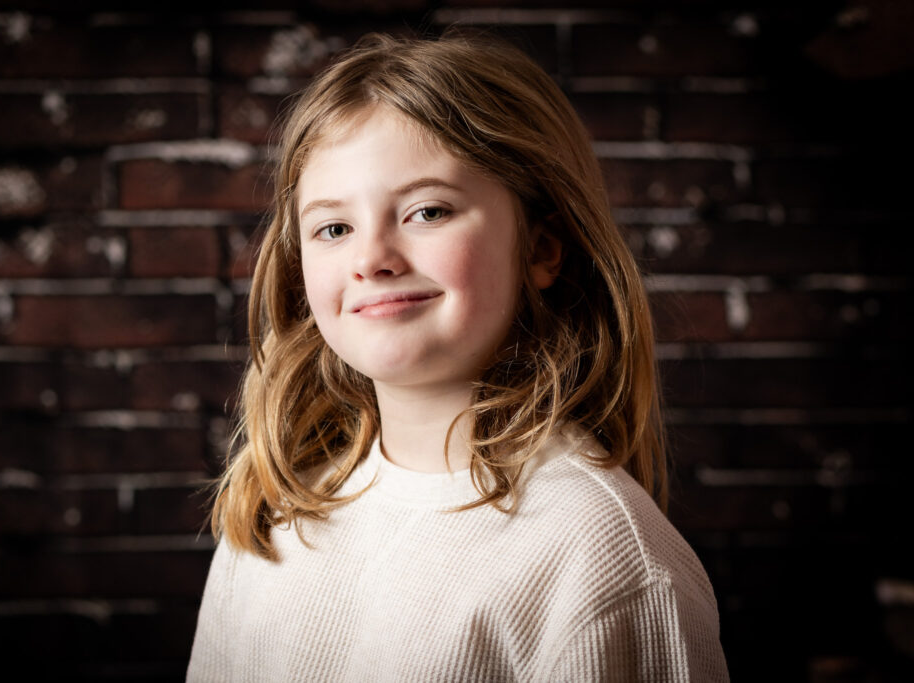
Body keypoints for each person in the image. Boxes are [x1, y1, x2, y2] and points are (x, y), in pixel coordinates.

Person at [188, 32, 729, 682]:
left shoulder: (601, 556)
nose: (371, 259)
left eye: (427, 211)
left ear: (541, 249)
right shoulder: (277, 511)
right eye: (334, 227)